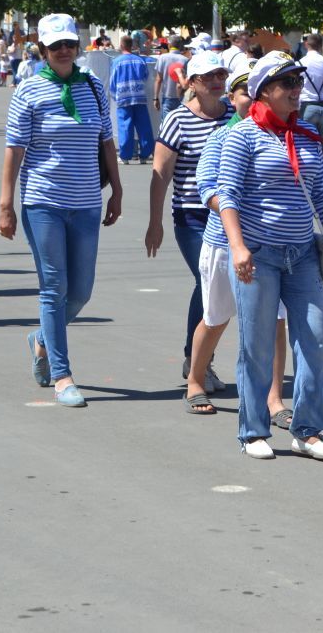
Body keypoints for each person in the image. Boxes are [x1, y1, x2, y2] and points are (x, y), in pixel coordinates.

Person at [217, 51, 323, 461]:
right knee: (256, 345)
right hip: (259, 255)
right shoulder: (243, 135)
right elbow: (228, 195)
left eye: (298, 82)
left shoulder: (307, 133)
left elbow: (322, 195)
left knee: (316, 340)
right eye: (287, 83)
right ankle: (253, 430)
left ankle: (307, 430)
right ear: (265, 91)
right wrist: (237, 246)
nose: (296, 89)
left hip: (303, 254)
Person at [0, 14, 123, 407]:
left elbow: (106, 142)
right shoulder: (29, 91)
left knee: (81, 292)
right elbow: (15, 149)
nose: (64, 51)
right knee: (54, 288)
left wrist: (117, 190)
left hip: (86, 203)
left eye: (69, 43)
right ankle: (61, 374)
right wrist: (5, 204)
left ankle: (42, 339)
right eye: (56, 46)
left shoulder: (94, 87)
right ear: (42, 50)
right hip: (43, 203)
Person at [146, 52, 234, 410]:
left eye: (220, 74)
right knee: (209, 282)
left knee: (216, 285)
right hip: (193, 217)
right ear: (192, 83)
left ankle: (198, 359)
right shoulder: (178, 120)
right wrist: (155, 223)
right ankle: (197, 362)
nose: (216, 81)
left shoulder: (233, 114)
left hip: (232, 217)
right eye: (207, 76)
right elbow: (161, 174)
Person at [109, 37, 154, 165]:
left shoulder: (116, 62)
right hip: (139, 96)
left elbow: (112, 81)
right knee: (144, 126)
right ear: (131, 45)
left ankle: (125, 156)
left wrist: (114, 96)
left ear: (122, 45)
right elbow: (146, 76)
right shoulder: (140, 60)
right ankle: (145, 154)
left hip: (123, 97)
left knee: (125, 126)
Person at [297, 34, 323, 146]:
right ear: (321, 45)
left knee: (305, 145)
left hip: (306, 107)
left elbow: (296, 90)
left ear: (306, 44)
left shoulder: (299, 64)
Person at [153, 35, 189, 120]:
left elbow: (158, 80)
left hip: (167, 97)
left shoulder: (162, 58)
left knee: (166, 125)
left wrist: (155, 98)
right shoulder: (185, 60)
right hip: (182, 98)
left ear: (169, 45)